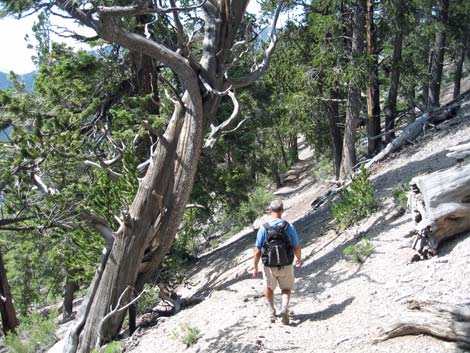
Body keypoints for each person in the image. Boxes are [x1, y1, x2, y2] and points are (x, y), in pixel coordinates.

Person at [253, 199, 302, 325]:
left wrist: (255, 267)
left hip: (269, 265)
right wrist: (299, 259)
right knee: (286, 288)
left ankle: (271, 311)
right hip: (286, 262)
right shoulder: (288, 226)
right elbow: (296, 246)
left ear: (270, 210)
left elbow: (257, 250)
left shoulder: (264, 228)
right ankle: (284, 307)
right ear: (282, 210)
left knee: (269, 287)